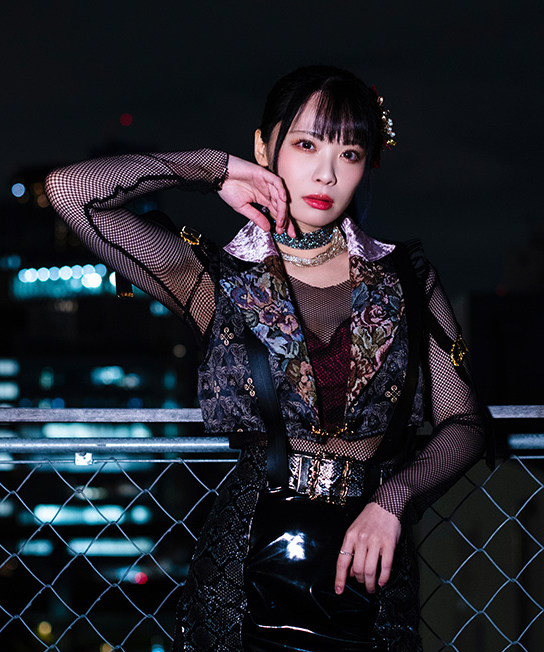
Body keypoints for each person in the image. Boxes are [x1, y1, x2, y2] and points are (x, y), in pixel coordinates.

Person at [45, 65, 489, 652]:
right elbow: (70, 192)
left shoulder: (406, 278)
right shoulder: (219, 278)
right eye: (306, 145)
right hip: (244, 573)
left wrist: (393, 500)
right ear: (264, 148)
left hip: (369, 570)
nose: (326, 173)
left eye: (350, 153)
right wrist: (216, 170)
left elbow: (465, 424)